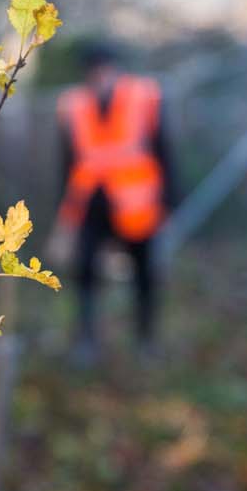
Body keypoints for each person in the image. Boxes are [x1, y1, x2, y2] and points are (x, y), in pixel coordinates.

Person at [55, 41, 173, 365]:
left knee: (144, 275)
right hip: (91, 206)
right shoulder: (73, 105)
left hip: (137, 206)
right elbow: (67, 163)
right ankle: (87, 340)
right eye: (94, 71)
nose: (101, 76)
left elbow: (163, 149)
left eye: (105, 69)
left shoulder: (143, 96)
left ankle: (146, 340)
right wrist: (64, 214)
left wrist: (168, 201)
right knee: (85, 273)